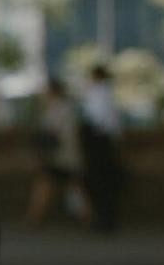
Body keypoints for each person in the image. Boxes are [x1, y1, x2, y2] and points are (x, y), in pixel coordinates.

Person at [23, 77, 89, 226]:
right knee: (73, 187)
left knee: (47, 184)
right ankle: (86, 216)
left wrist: (39, 153)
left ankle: (34, 217)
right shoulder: (65, 107)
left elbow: (51, 134)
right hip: (67, 156)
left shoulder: (57, 109)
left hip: (59, 157)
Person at [80, 64, 125, 232]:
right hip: (104, 142)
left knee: (100, 183)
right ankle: (106, 218)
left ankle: (104, 219)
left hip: (99, 143)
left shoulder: (98, 93)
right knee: (105, 183)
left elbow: (97, 120)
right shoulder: (107, 93)